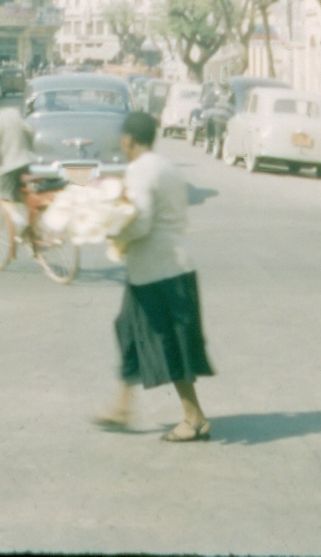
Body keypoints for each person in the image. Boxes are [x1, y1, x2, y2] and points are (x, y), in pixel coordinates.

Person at [96, 112, 215, 442]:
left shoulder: (140, 170)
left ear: (128, 140)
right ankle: (121, 407)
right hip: (167, 265)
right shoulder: (167, 166)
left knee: (169, 342)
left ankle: (195, 418)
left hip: (158, 272)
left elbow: (141, 222)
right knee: (128, 329)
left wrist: (109, 229)